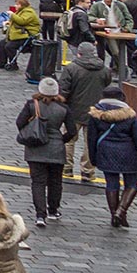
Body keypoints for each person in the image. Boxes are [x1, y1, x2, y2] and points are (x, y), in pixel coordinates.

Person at [15, 78, 72, 227]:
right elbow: (72, 131)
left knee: (38, 182)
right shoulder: (63, 108)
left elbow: (20, 122)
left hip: (35, 149)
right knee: (55, 181)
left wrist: (30, 133)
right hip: (56, 149)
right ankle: (53, 209)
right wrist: (61, 140)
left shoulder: (31, 105)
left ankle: (40, 215)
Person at [56, 41, 112, 180]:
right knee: (90, 142)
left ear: (79, 54)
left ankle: (66, 167)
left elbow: (63, 90)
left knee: (69, 140)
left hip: (73, 111)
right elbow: (107, 85)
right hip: (95, 111)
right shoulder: (104, 69)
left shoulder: (72, 68)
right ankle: (87, 171)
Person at [87, 88, 137, 227]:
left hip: (106, 152)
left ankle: (113, 215)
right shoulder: (130, 115)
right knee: (132, 183)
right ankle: (121, 211)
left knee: (111, 183)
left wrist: (93, 158)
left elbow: (91, 138)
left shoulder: (96, 114)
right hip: (128, 153)